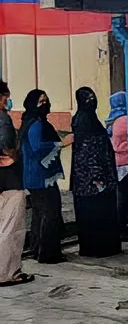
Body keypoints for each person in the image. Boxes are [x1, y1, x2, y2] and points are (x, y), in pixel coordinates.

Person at [20, 89, 72, 264]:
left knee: (39, 214)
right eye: (41, 101)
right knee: (50, 214)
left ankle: (37, 248)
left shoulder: (30, 122)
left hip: (35, 176)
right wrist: (62, 143)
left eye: (46, 100)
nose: (45, 104)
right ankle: (48, 253)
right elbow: (38, 148)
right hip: (41, 177)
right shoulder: (36, 125)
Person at [71, 87, 121, 258]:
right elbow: (88, 152)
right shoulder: (85, 121)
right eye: (88, 99)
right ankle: (99, 248)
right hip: (93, 181)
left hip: (91, 180)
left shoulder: (87, 119)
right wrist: (97, 178)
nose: (92, 102)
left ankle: (98, 247)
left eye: (93, 97)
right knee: (97, 215)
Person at [0, 80, 34, 286]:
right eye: (5, 97)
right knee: (10, 228)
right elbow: (6, 147)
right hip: (9, 181)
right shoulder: (3, 119)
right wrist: (11, 155)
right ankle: (7, 273)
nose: (7, 101)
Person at [106, 91, 128, 238]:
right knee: (126, 195)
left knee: (120, 194)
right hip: (127, 161)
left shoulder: (111, 118)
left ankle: (120, 224)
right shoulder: (125, 119)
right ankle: (123, 225)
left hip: (116, 162)